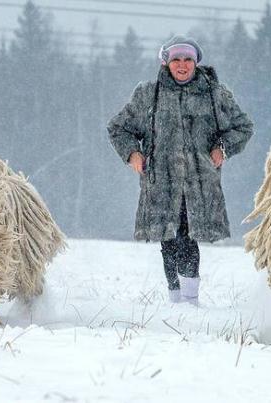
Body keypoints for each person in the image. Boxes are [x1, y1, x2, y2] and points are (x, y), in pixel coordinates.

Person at [107, 35, 253, 304]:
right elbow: (118, 128)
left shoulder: (214, 94)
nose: (182, 65)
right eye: (176, 59)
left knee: (188, 236)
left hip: (199, 181)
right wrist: (132, 154)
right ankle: (175, 299)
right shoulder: (148, 94)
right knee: (169, 239)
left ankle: (190, 300)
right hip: (160, 181)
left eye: (188, 59)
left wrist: (223, 148)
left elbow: (243, 126)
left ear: (196, 63)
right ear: (166, 63)